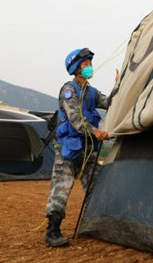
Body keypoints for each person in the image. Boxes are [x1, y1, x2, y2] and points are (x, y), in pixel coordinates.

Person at [44, 48, 111, 248]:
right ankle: (52, 232)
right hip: (67, 149)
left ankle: (93, 225)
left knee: (96, 185)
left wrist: (119, 85)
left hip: (88, 149)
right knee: (61, 188)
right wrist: (95, 132)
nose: (90, 67)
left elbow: (109, 102)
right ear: (75, 68)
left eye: (90, 63)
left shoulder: (92, 92)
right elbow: (75, 119)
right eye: (85, 64)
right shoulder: (69, 91)